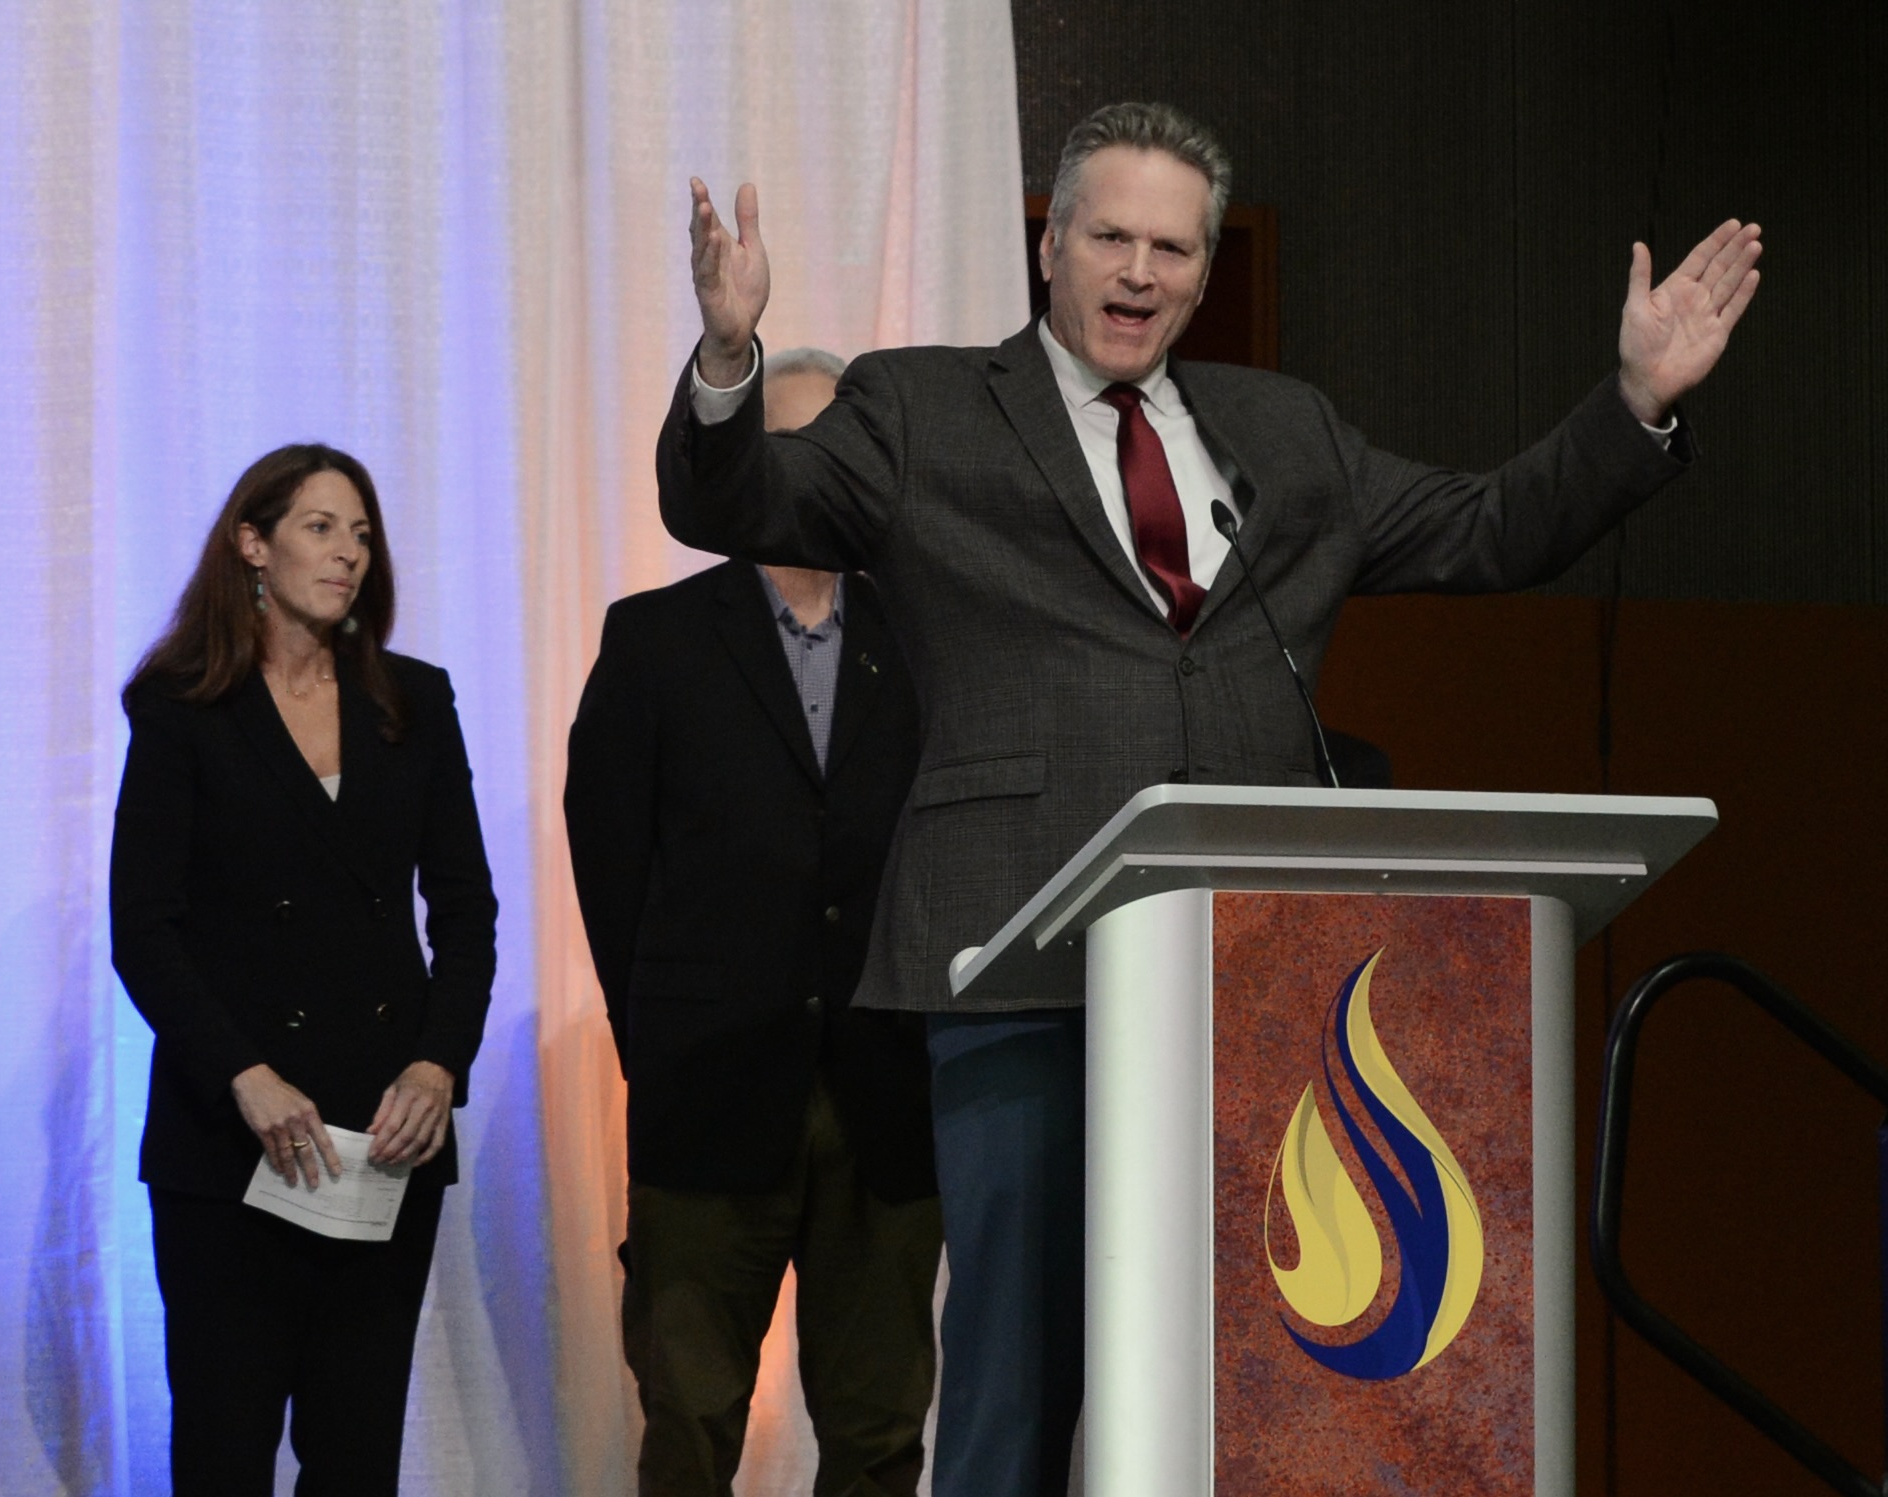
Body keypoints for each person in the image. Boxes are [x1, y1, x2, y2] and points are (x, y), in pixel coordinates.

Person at [660, 101, 1760, 1496]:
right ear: (1049, 245)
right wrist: (726, 359)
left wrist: (1633, 404)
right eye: (1108, 237)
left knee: (1249, 1365)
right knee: (1016, 1371)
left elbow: (1490, 528)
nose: (1137, 272)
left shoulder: (1280, 429)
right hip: (1019, 957)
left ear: (1198, 271)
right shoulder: (920, 407)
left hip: (1260, 966)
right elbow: (735, 502)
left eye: (1170, 249)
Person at [567, 347, 941, 1497]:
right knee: (689, 1422)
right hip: (709, 1093)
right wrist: (660, 1041)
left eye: (841, 451)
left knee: (879, 1433)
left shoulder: (926, 640)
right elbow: (609, 865)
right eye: (791, 448)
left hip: (885, 1099)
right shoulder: (654, 639)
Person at [109, 443, 498, 1493]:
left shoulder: (413, 699)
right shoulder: (181, 705)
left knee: (356, 1451)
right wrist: (245, 1075)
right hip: (229, 1137)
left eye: (361, 534)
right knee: (224, 1449)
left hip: (382, 1132)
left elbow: (465, 910)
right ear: (253, 544)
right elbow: (143, 928)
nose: (348, 554)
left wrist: (437, 1066)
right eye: (320, 528)